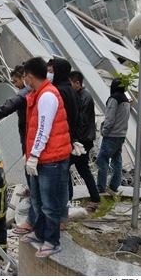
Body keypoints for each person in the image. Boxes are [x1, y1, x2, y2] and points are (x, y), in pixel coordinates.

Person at [20, 57, 71, 258]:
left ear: (29, 76)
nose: (25, 80)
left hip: (50, 159)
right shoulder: (38, 94)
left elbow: (44, 129)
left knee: (50, 204)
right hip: (42, 157)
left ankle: (52, 241)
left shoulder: (47, 96)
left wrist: (34, 155)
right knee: (38, 200)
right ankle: (40, 234)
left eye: (25, 76)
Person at [0, 65, 36, 235]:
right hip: (28, 136)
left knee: (34, 174)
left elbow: (9, 104)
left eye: (16, 81)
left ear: (24, 77)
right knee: (31, 171)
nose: (16, 85)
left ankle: (33, 216)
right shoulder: (33, 90)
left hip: (30, 137)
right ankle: (32, 191)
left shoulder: (26, 91)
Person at [50, 58, 83, 229]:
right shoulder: (71, 90)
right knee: (63, 180)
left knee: (58, 182)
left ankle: (58, 218)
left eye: (52, 70)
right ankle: (63, 216)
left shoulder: (59, 92)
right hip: (68, 141)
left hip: (59, 141)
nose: (49, 73)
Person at [68, 71, 100, 211]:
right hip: (82, 141)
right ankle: (95, 198)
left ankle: (67, 199)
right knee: (83, 170)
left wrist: (76, 141)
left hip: (82, 142)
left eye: (71, 84)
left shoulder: (84, 97)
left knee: (65, 167)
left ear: (77, 83)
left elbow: (82, 121)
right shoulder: (79, 95)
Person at [96, 78, 130, 195]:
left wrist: (104, 131)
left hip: (111, 135)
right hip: (121, 135)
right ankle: (114, 186)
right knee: (117, 161)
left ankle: (100, 187)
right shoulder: (126, 100)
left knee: (102, 160)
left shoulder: (114, 99)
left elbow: (109, 118)